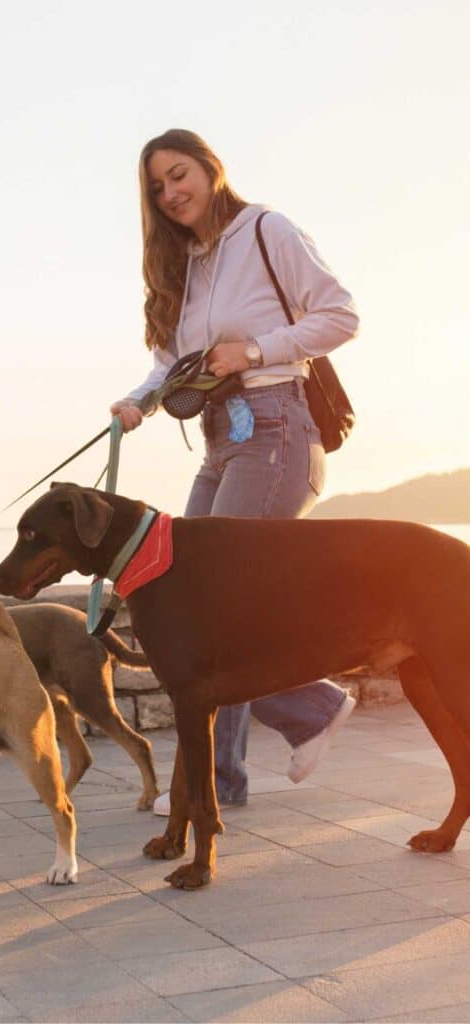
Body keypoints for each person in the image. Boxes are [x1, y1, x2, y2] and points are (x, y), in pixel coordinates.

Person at [110, 129, 359, 816]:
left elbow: (340, 315)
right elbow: (172, 364)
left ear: (211, 168)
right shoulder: (182, 264)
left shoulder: (265, 230)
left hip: (277, 429)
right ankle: (244, 761)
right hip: (220, 438)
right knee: (189, 596)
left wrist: (253, 349)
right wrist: (138, 401)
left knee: (213, 607)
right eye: (157, 187)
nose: (171, 193)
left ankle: (260, 746)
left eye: (179, 174)